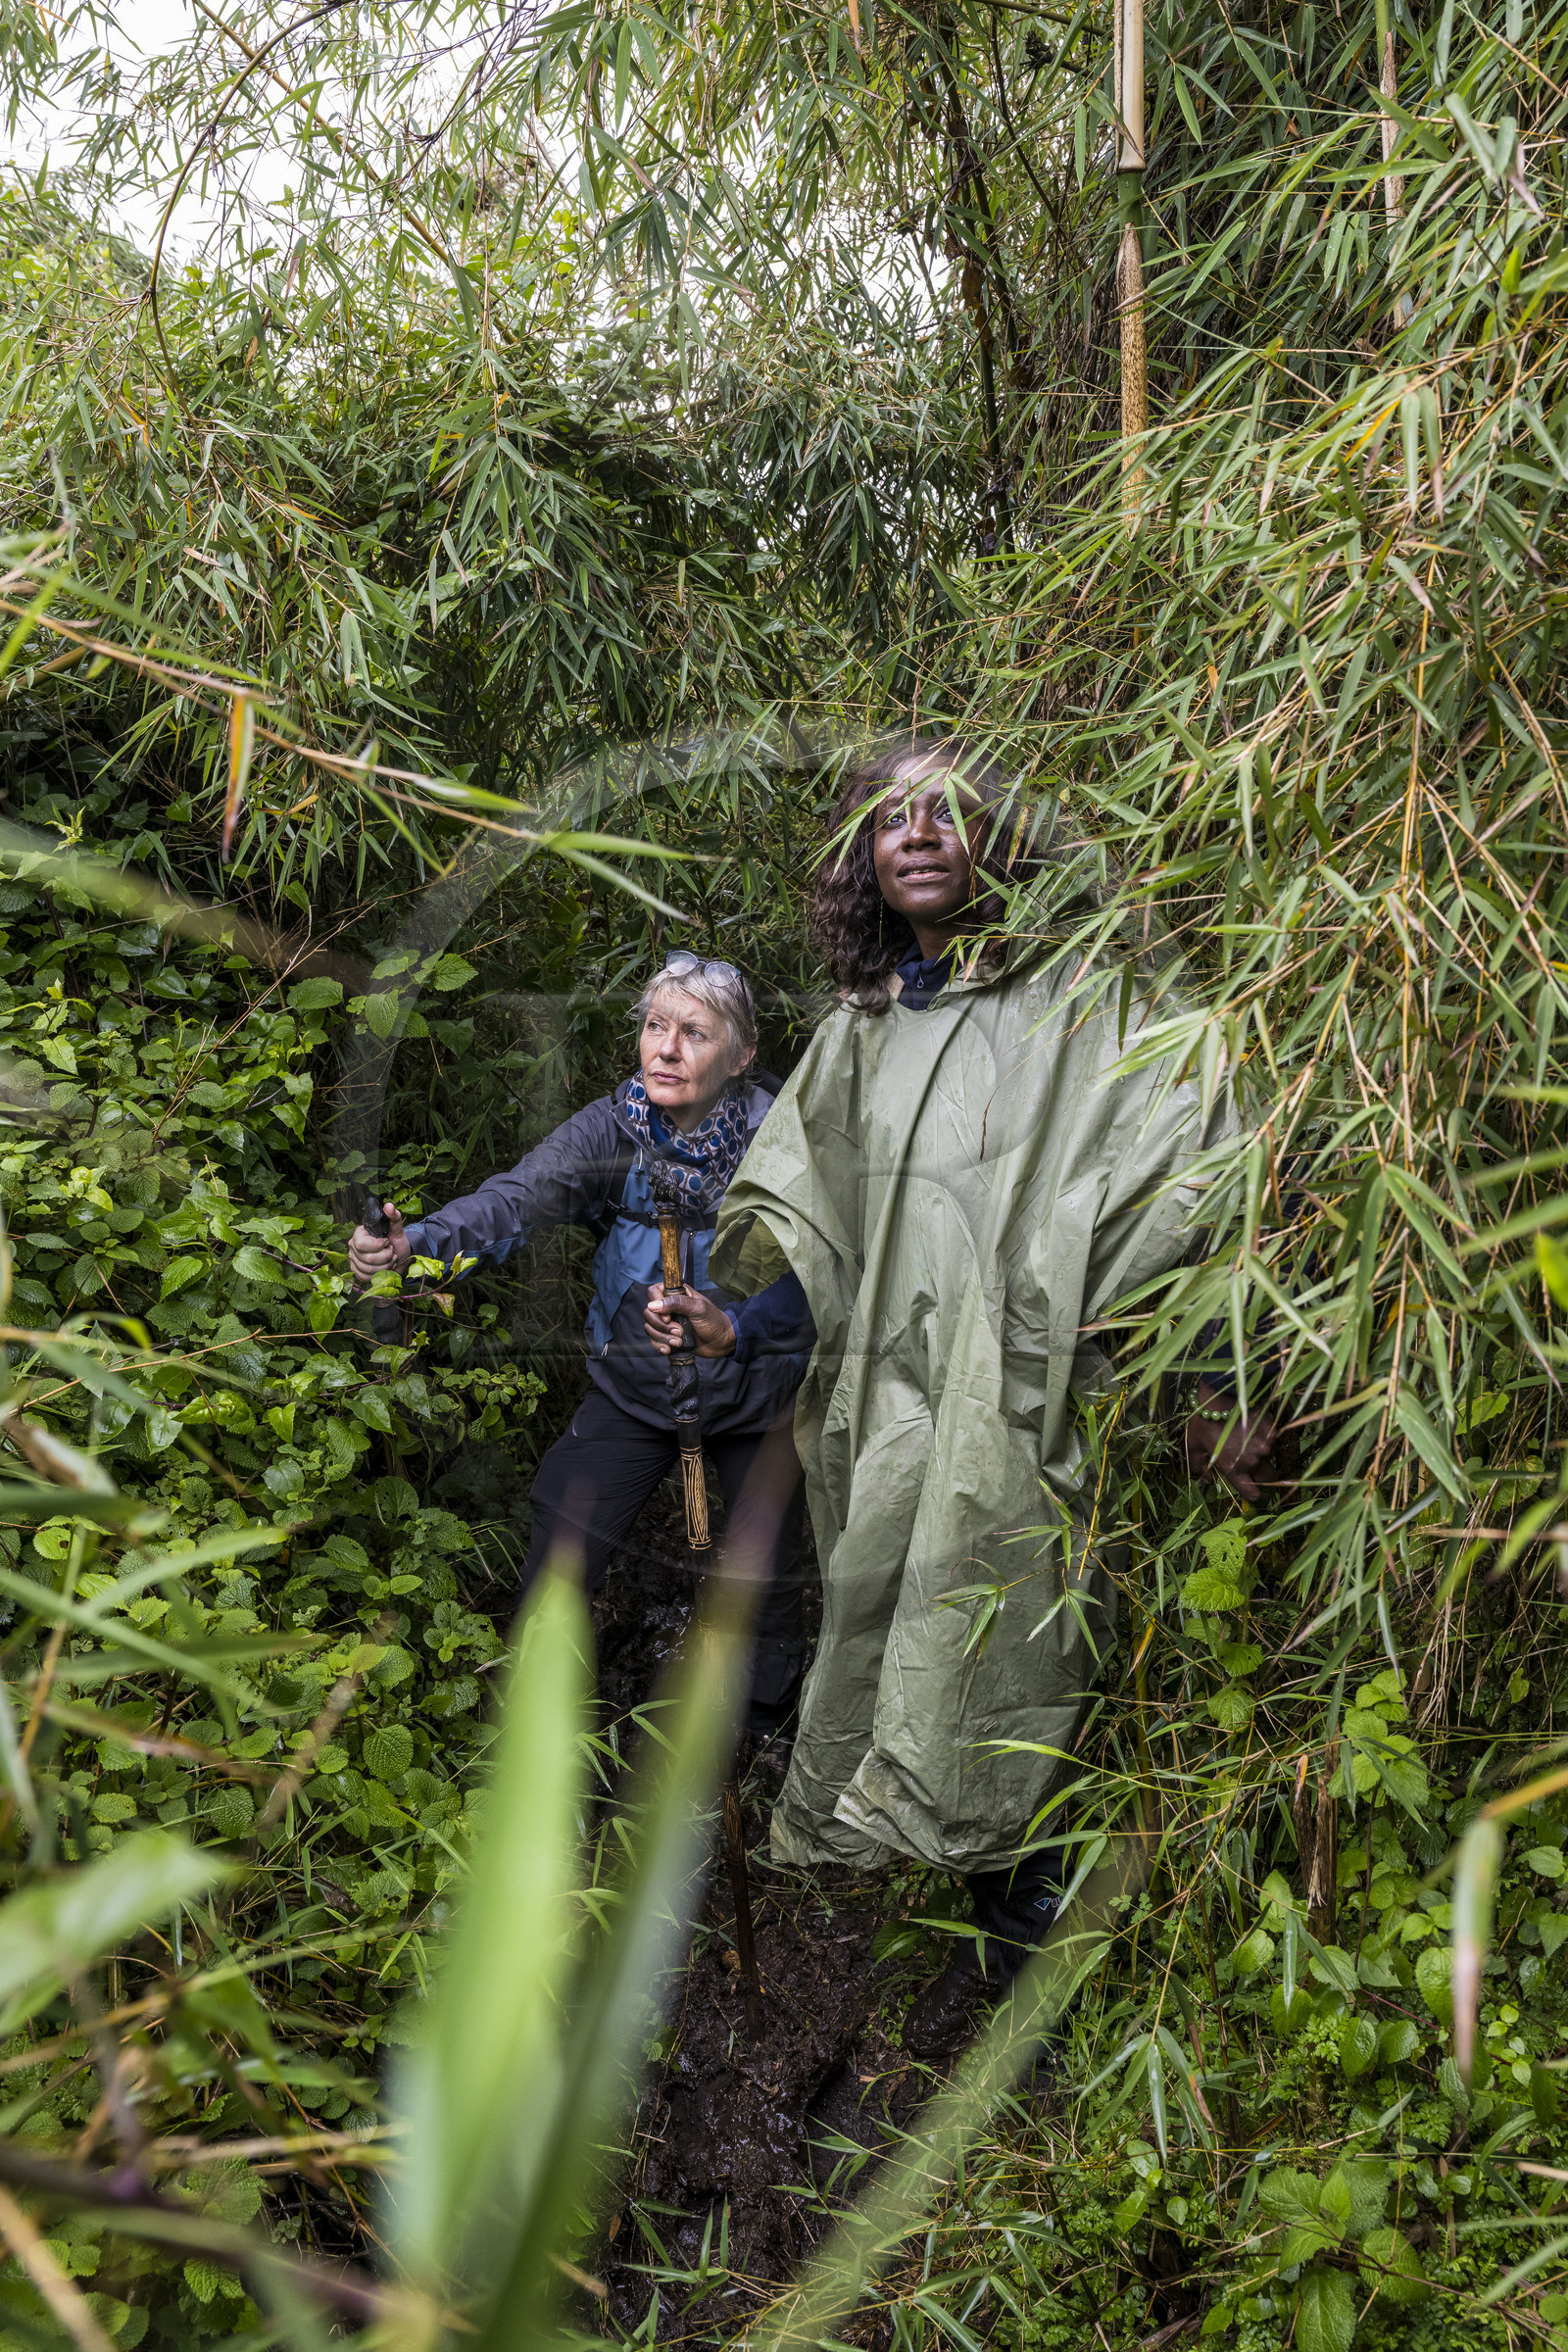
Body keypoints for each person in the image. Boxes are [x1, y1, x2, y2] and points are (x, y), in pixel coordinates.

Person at [698, 738, 1274, 2050]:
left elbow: (1173, 1181)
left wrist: (1195, 1380)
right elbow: (814, 1216)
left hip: (1029, 1398)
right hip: (892, 1399)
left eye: (945, 810)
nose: (916, 833)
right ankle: (970, 1929)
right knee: (907, 1625)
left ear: (998, 831)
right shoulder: (863, 1028)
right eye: (888, 818)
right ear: (860, 855)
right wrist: (730, 1319)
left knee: (1017, 1641)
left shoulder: (1090, 1002)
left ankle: (1043, 1980)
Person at [347, 952, 814, 1740]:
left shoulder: (784, 1142)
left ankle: (760, 1726)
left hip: (755, 1394)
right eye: (655, 1027)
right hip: (635, 1390)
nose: (665, 1049)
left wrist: (732, 1328)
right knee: (567, 1523)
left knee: (763, 1561)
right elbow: (520, 1200)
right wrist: (414, 1246)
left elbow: (821, 1270)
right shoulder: (613, 1127)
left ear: (741, 1056)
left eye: (694, 1033)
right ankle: (541, 1722)